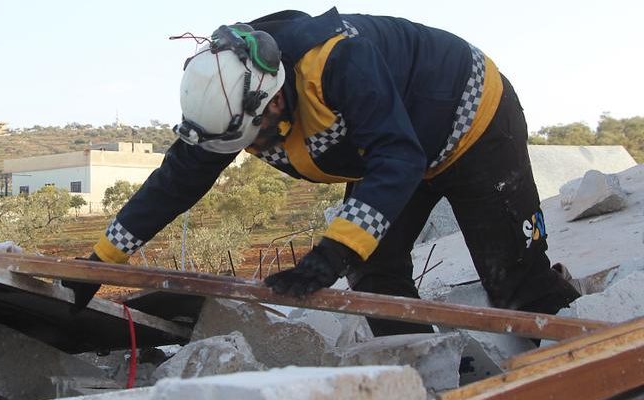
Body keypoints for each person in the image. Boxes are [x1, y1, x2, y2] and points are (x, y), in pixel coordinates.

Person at [69, 8, 581, 336]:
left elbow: (398, 157)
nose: (253, 145)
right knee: (375, 276)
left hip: (472, 122)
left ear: (273, 95)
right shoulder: (230, 107)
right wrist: (95, 265)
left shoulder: (338, 61)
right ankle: (417, 371)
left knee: (513, 282)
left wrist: (330, 253)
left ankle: (577, 341)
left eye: (258, 130)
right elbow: (172, 185)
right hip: (389, 147)